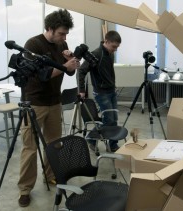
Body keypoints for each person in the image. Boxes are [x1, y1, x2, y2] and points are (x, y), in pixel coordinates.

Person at [17, 9, 80, 207]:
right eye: (61, 33)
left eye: (66, 34)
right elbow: (41, 75)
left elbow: (67, 74)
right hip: (35, 102)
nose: (64, 37)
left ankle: (51, 176)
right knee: (30, 147)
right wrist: (64, 66)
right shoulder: (32, 44)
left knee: (54, 143)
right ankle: (25, 189)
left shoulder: (63, 44)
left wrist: (71, 64)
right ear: (50, 29)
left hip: (54, 101)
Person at [78, 30, 121, 152]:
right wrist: (81, 90)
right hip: (101, 92)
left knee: (114, 118)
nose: (115, 49)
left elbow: (109, 72)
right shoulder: (96, 54)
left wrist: (113, 85)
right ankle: (91, 138)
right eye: (114, 46)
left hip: (111, 91)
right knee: (109, 119)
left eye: (117, 47)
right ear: (106, 42)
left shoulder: (110, 53)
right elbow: (81, 71)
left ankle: (112, 144)